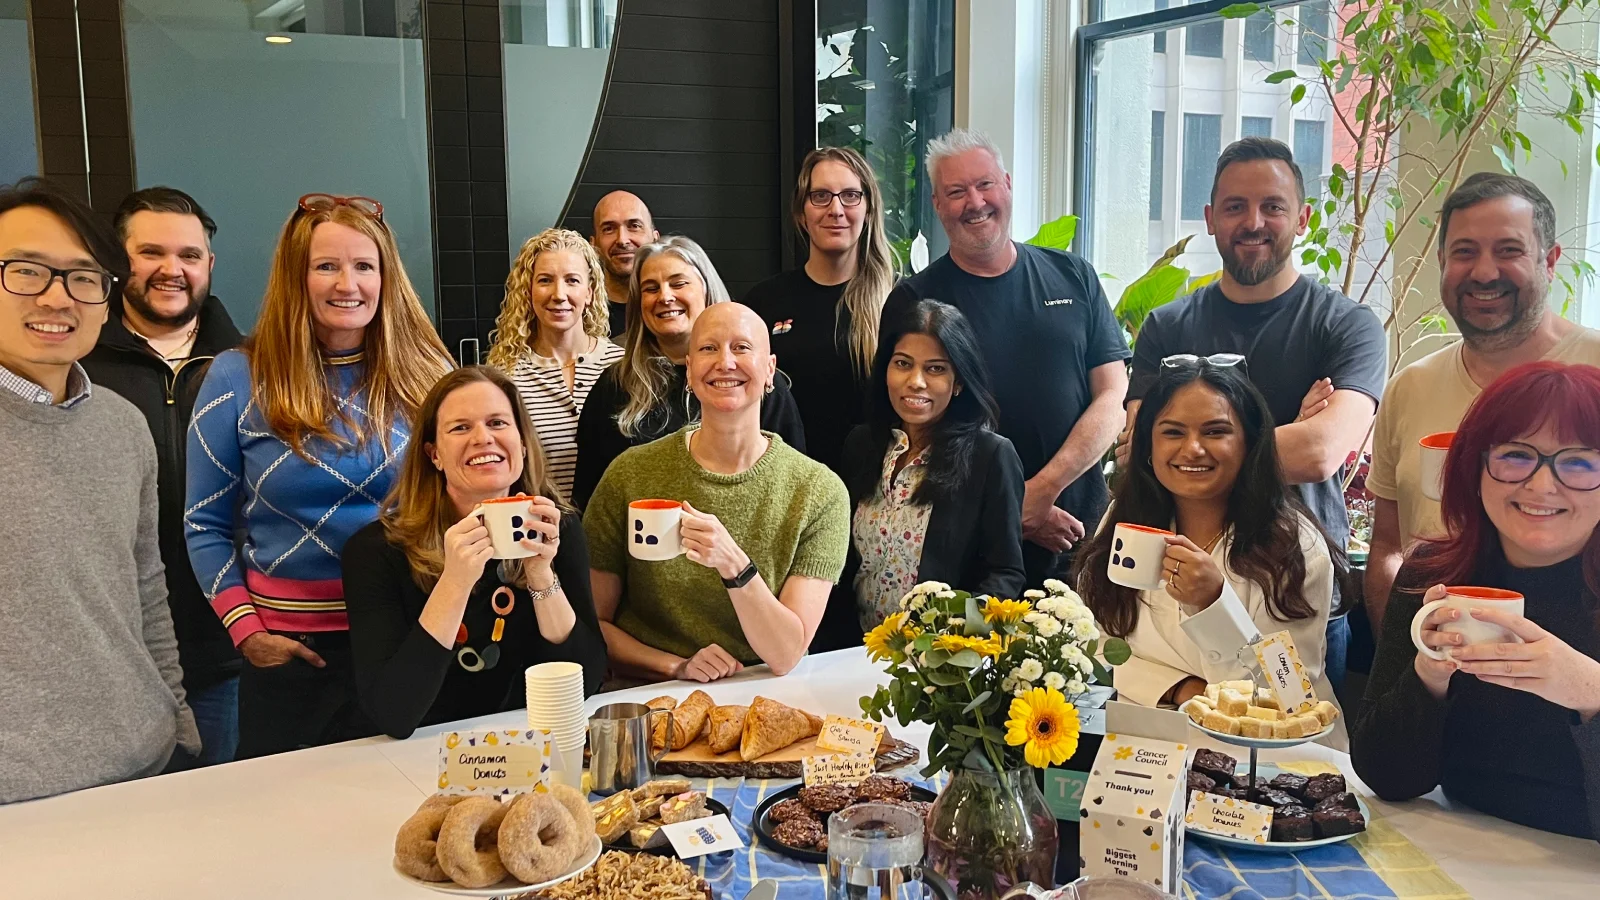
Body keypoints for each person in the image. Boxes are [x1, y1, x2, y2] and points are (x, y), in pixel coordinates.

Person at [185, 193, 454, 758]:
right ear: (296, 276)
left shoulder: (429, 372)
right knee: (286, 829)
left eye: (364, 266)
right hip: (291, 652)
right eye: (326, 266)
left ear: (386, 277)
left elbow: (460, 499)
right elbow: (203, 524)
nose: (347, 284)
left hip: (410, 638)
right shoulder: (236, 377)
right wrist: (247, 631)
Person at [1120, 138, 1385, 687]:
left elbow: (1321, 452)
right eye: (1236, 207)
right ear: (1211, 219)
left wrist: (1194, 452)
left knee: (1282, 746)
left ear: (1304, 218)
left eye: (1273, 206)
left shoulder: (1345, 326)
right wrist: (1282, 432)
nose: (1254, 221)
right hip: (1163, 586)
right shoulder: (1167, 327)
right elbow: (1141, 451)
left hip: (1285, 586)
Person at [0, 178, 198, 802]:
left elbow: (144, 586)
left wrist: (178, 721)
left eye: (84, 278)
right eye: (27, 271)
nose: (58, 298)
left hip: (141, 764)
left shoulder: (120, 424)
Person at [1353, 361, 1600, 841]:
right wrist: (1428, 675)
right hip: (1457, 844)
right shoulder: (1435, 574)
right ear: (1474, 466)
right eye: (1515, 455)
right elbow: (1388, 778)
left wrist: (1589, 692)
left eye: (1579, 462)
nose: (1541, 485)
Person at [884, 129, 1130, 586]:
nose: (974, 202)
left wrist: (1039, 492)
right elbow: (911, 430)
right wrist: (1010, 507)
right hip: (969, 551)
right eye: (955, 192)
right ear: (938, 205)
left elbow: (1114, 397)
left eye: (985, 185)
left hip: (1077, 536)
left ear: (1008, 185)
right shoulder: (915, 300)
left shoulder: (1073, 275)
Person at [1365, 173, 1600, 634]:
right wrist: (1398, 652)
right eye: (1465, 252)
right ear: (1441, 262)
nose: (1485, 272)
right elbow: (1388, 548)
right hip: (1436, 675)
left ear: (1549, 261)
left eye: (1509, 250)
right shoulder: (1409, 387)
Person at [1075, 356, 1344, 745]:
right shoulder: (1126, 521)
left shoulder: (1293, 545)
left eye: (1216, 432)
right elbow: (1100, 642)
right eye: (1172, 432)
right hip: (1148, 753)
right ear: (1147, 444)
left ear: (1250, 443)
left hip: (1267, 764)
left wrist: (1214, 605)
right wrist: (1184, 689)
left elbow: (1289, 695)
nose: (1193, 449)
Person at [584, 303, 849, 684]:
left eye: (742, 348)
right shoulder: (630, 474)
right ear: (689, 370)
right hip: (650, 692)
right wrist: (676, 666)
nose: (725, 363)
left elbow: (786, 653)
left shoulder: (819, 492)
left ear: (770, 370)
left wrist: (734, 566)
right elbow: (593, 624)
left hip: (762, 691)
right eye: (709, 348)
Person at [343, 367, 607, 739]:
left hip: (525, 747)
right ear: (434, 455)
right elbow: (393, 713)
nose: (484, 438)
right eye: (461, 428)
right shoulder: (376, 551)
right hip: (419, 754)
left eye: (498, 423)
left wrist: (542, 577)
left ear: (523, 443)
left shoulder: (557, 528)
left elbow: (584, 683)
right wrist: (455, 581)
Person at [81, 186, 244, 767]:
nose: (171, 270)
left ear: (209, 265)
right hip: (109, 651)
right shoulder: (76, 365)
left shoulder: (254, 365)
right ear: (117, 259)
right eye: (151, 253)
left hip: (224, 647)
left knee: (217, 819)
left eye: (189, 256)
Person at [837, 298, 1025, 640]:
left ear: (959, 382)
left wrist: (951, 643)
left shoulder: (991, 456)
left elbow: (1005, 573)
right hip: (853, 651)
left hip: (938, 664)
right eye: (903, 364)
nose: (916, 382)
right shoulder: (862, 445)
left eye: (936, 368)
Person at [571, 236, 806, 508]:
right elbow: (589, 496)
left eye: (678, 283)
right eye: (650, 288)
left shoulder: (754, 381)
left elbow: (793, 484)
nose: (665, 296)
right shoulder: (614, 385)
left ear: (706, 289)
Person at [746, 147, 899, 477]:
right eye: (821, 196)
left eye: (850, 195)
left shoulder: (898, 300)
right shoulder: (764, 302)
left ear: (869, 209)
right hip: (783, 487)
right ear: (802, 212)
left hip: (872, 495)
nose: (836, 209)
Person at [488, 228, 624, 499]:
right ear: (528, 291)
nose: (559, 294)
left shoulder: (623, 367)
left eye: (572, 280)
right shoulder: (505, 377)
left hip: (614, 531)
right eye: (546, 280)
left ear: (590, 292)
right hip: (535, 528)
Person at [590, 190, 658, 337]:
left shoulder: (671, 308)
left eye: (634, 226)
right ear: (594, 245)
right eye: (609, 229)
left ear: (655, 239)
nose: (622, 239)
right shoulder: (580, 313)